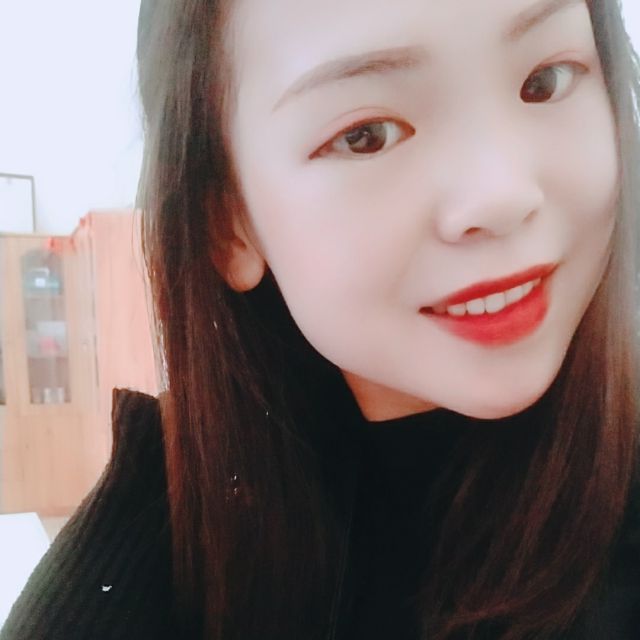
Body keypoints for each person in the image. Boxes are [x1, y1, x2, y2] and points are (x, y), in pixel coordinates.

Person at [2, 0, 640, 638]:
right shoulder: (163, 544)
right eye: (367, 135)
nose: (502, 195)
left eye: (545, 81)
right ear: (228, 225)